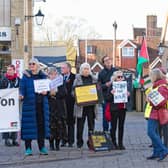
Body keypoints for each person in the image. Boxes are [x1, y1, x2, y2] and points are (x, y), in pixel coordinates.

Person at [19, 58, 50, 156]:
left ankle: (42, 147)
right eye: (30, 64)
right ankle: (28, 148)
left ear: (37, 65)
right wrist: (21, 95)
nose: (31, 65)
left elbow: (48, 89)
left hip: (41, 106)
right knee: (28, 127)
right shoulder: (25, 77)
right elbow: (22, 88)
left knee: (41, 127)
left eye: (33, 64)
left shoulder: (43, 76)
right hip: (29, 105)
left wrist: (47, 92)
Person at [73, 62, 98, 148]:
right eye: (84, 69)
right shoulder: (77, 79)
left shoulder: (94, 79)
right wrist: (76, 95)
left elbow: (98, 91)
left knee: (91, 126)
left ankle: (90, 142)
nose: (86, 70)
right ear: (81, 70)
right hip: (81, 107)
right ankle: (79, 142)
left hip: (91, 106)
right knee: (80, 126)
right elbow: (73, 92)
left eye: (87, 69)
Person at [146, 68, 168, 161]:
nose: (150, 78)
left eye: (151, 76)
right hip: (156, 112)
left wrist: (150, 100)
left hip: (157, 112)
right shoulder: (158, 85)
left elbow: (161, 102)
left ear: (154, 76)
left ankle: (163, 150)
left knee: (151, 132)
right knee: (154, 133)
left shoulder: (162, 86)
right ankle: (157, 152)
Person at [106, 70, 129, 150]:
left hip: (122, 108)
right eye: (119, 77)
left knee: (121, 126)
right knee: (114, 126)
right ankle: (114, 142)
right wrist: (111, 94)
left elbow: (128, 99)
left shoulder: (125, 85)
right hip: (114, 109)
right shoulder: (112, 86)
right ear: (115, 78)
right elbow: (107, 99)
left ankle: (120, 143)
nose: (121, 78)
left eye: (122, 77)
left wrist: (128, 95)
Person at [48, 67, 67, 150]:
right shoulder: (46, 83)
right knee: (51, 127)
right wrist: (49, 94)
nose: (53, 76)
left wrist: (56, 93)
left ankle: (57, 144)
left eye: (54, 74)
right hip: (50, 108)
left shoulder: (61, 82)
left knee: (59, 126)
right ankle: (51, 144)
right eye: (51, 74)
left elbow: (64, 93)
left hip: (59, 107)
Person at [0, 65, 20, 146]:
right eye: (7, 70)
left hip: (15, 104)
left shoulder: (18, 80)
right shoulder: (3, 80)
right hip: (5, 105)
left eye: (10, 70)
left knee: (15, 121)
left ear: (14, 70)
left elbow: (21, 89)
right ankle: (6, 139)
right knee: (5, 121)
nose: (8, 71)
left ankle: (14, 139)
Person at [98, 55, 118, 132]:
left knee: (114, 117)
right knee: (105, 116)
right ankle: (105, 133)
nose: (108, 61)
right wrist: (106, 85)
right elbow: (99, 87)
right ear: (104, 63)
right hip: (106, 98)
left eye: (109, 59)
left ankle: (113, 133)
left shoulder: (116, 71)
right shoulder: (101, 73)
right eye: (106, 60)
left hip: (115, 98)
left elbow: (122, 81)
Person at [61, 62, 75, 147]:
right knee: (62, 122)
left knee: (70, 122)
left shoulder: (74, 77)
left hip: (71, 103)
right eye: (61, 68)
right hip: (62, 103)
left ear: (68, 69)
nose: (62, 69)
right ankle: (63, 140)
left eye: (63, 68)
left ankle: (71, 140)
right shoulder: (59, 77)